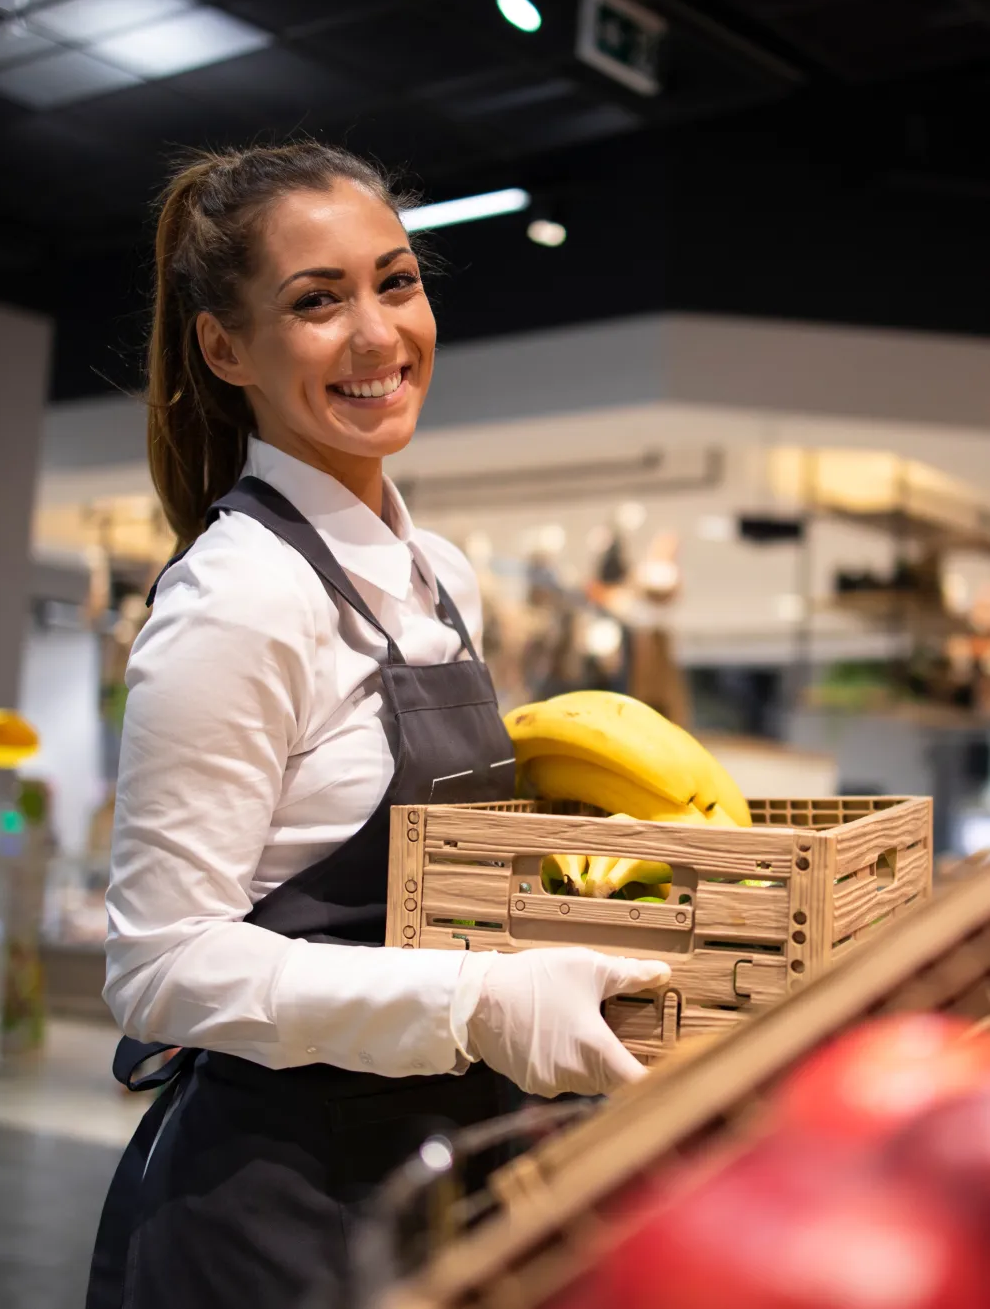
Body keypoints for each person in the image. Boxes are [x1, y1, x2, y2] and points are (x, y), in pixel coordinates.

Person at [85, 141, 670, 1309]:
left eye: (395, 283)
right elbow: (160, 966)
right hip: (273, 1214)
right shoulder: (239, 598)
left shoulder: (440, 575)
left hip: (437, 1175)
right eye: (317, 302)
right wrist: (477, 1004)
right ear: (225, 349)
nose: (376, 334)